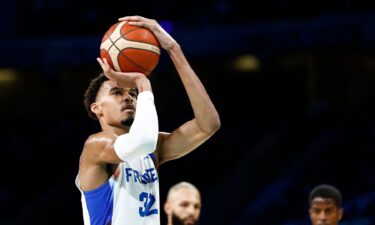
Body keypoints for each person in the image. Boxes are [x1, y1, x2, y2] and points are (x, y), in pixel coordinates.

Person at [75, 15, 221, 225]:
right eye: (116, 92)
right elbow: (143, 142)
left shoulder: (151, 149)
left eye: (133, 94)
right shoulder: (95, 147)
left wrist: (173, 49)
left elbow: (208, 124)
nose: (128, 97)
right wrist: (141, 82)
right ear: (97, 109)